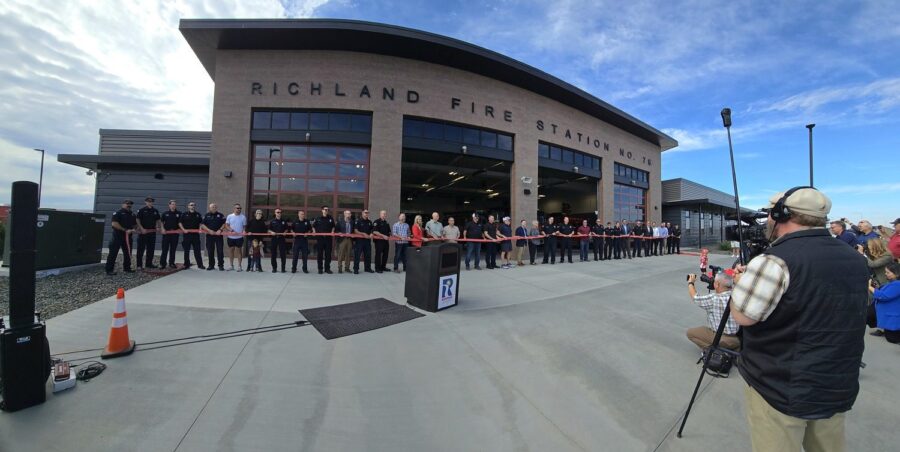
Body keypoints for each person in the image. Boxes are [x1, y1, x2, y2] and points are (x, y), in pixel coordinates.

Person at [729, 187, 868, 452]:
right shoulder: (855, 258)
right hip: (836, 381)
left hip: (782, 386)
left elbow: (743, 316)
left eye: (770, 213)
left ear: (781, 214)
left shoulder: (775, 260)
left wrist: (741, 284)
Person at [686, 271, 740, 350]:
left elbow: (696, 298)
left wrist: (691, 282)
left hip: (722, 338)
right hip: (738, 338)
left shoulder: (714, 298)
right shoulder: (738, 295)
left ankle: (713, 352)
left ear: (717, 284)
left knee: (690, 333)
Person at [868, 263, 900, 343]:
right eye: (885, 272)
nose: (885, 274)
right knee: (891, 338)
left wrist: (870, 287)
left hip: (892, 319)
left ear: (897, 274)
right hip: (889, 318)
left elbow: (883, 296)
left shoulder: (897, 284)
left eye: (888, 272)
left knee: (892, 339)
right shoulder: (892, 283)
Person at [105, 199, 137, 276]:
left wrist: (134, 229)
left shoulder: (132, 214)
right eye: (127, 204)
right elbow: (114, 224)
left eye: (130, 204)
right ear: (123, 204)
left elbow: (134, 224)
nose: (129, 205)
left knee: (128, 253)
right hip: (118, 236)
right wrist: (125, 230)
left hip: (128, 237)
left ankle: (127, 268)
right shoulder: (117, 213)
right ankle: (109, 270)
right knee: (113, 253)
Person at [135, 196, 161, 269]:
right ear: (145, 202)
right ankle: (139, 265)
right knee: (141, 249)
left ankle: (149, 264)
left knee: (151, 249)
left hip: (152, 233)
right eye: (149, 201)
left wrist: (158, 227)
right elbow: (137, 220)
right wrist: (141, 228)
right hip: (143, 233)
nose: (150, 203)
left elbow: (158, 219)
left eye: (151, 201)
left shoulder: (155, 211)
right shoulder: (141, 210)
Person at [179, 202, 204, 269]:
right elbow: (180, 223)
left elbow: (201, 223)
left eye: (194, 205)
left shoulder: (198, 214)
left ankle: (200, 265)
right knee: (186, 250)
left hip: (195, 235)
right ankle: (186, 264)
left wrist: (200, 229)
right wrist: (183, 230)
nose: (193, 206)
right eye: (191, 205)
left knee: (197, 250)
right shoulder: (184, 214)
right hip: (187, 235)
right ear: (188, 206)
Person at [201, 203, 226, 271]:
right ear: (210, 208)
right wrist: (209, 230)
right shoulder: (206, 215)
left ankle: (221, 265)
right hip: (210, 236)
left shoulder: (220, 215)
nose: (214, 208)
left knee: (220, 251)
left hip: (218, 236)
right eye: (212, 207)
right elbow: (202, 225)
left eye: (215, 207)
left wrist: (220, 230)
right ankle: (211, 265)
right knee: (210, 251)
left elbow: (224, 224)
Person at [159, 200, 181, 269]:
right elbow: (161, 222)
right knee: (164, 249)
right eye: (172, 204)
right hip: (166, 234)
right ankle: (162, 264)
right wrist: (162, 229)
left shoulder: (179, 213)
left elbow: (181, 222)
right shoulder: (165, 213)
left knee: (173, 249)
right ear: (169, 205)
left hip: (175, 234)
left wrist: (179, 229)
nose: (173, 205)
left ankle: (171, 263)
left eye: (175, 204)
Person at [225, 204, 247, 271]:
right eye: (237, 208)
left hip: (239, 237)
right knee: (231, 251)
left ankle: (239, 266)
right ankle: (231, 265)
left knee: (239, 251)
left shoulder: (243, 217)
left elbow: (244, 226)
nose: (239, 209)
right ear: (234, 209)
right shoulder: (230, 216)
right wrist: (231, 230)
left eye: (240, 208)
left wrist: (244, 231)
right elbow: (226, 225)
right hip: (230, 237)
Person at [314, 206, 335, 274]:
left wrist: (332, 232)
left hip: (328, 239)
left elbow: (333, 226)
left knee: (328, 255)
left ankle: (327, 268)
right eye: (325, 209)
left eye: (327, 210)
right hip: (320, 239)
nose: (327, 211)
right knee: (320, 254)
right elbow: (313, 226)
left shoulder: (330, 218)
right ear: (322, 210)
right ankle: (320, 269)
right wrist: (314, 232)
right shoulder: (318, 218)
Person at [268, 208, 289, 273]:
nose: (279, 213)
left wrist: (285, 232)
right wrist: (271, 232)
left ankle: (283, 269)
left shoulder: (284, 221)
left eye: (280, 212)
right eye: (277, 212)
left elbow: (287, 229)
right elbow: (268, 230)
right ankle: (274, 268)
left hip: (281, 239)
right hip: (274, 239)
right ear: (275, 213)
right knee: (273, 254)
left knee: (283, 254)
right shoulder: (272, 221)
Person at [353, 209, 374, 274]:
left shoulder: (369, 222)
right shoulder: (358, 221)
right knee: (357, 255)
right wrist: (363, 234)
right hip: (359, 241)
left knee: (368, 255)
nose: (366, 214)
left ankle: (367, 268)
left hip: (367, 241)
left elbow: (372, 229)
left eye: (367, 213)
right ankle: (356, 269)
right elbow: (355, 230)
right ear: (362, 213)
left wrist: (371, 233)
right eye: (365, 212)